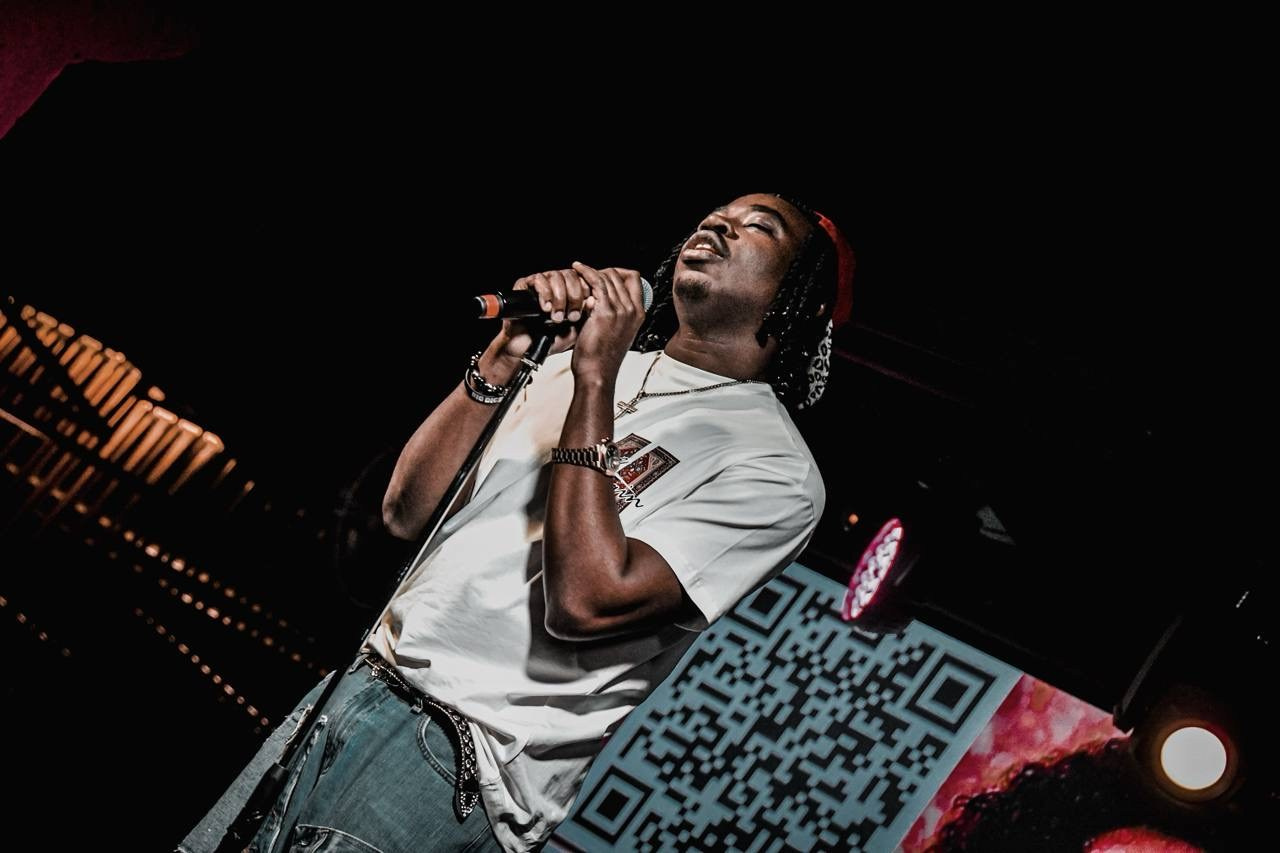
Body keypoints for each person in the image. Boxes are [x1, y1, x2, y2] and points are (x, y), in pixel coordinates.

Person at [179, 192, 855, 853]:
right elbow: (405, 511)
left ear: (802, 301)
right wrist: (507, 354)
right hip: (350, 692)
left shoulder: (773, 466)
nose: (719, 224)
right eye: (717, 214)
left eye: (758, 226)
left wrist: (595, 381)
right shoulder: (577, 364)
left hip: (456, 763)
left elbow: (588, 602)